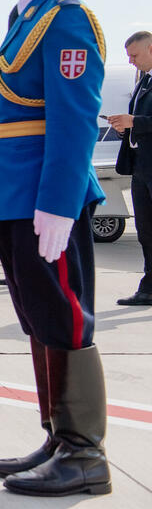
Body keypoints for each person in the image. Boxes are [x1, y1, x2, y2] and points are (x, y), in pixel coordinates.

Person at [0, 0, 110, 496]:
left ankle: (86, 454)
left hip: (45, 196)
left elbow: (75, 119)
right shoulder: (25, 18)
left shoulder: (67, 18)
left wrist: (59, 201)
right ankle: (59, 435)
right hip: (15, 191)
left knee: (63, 316)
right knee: (38, 316)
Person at [109, 32, 152, 306]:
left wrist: (134, 121)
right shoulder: (143, 81)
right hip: (141, 166)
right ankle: (148, 287)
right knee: (146, 230)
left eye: (135, 55)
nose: (131, 61)